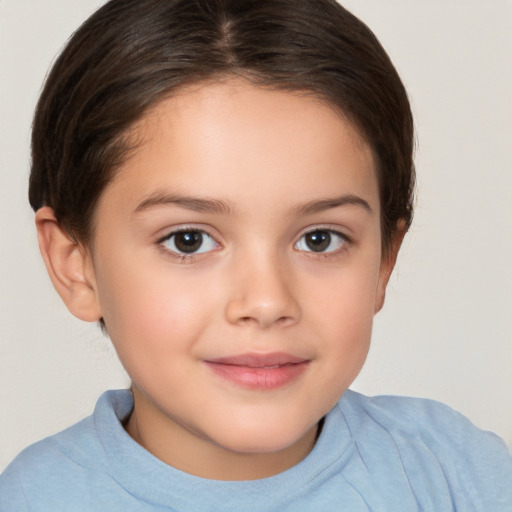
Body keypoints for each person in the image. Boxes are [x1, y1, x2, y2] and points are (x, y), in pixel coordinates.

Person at [0, 0, 510, 509]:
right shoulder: (29, 499)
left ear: (383, 261)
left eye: (319, 239)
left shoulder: (459, 476)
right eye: (188, 240)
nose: (266, 302)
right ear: (76, 265)